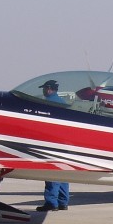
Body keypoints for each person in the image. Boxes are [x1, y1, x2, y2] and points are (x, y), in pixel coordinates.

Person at [36, 79, 70, 211]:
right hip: (64, 142)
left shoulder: (48, 103)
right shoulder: (62, 102)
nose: (43, 91)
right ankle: (63, 202)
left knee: (52, 172)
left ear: (49, 89)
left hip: (53, 142)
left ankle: (51, 203)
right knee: (63, 173)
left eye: (44, 88)